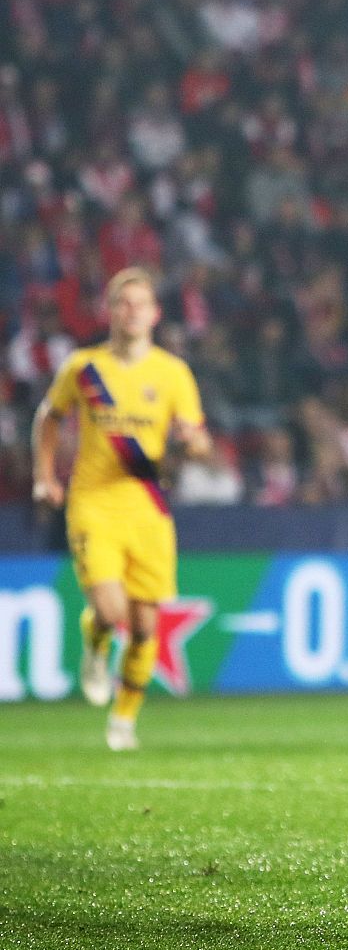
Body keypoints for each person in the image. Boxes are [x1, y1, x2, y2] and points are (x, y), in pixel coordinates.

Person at [31, 267, 211, 751]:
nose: (131, 311)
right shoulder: (84, 368)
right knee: (112, 611)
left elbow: (195, 435)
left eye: (140, 303)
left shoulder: (172, 373)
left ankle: (124, 720)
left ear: (155, 314)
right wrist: (45, 477)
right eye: (122, 303)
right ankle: (95, 635)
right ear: (110, 311)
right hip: (93, 503)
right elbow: (48, 418)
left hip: (148, 507)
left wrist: (193, 444)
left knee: (148, 627)